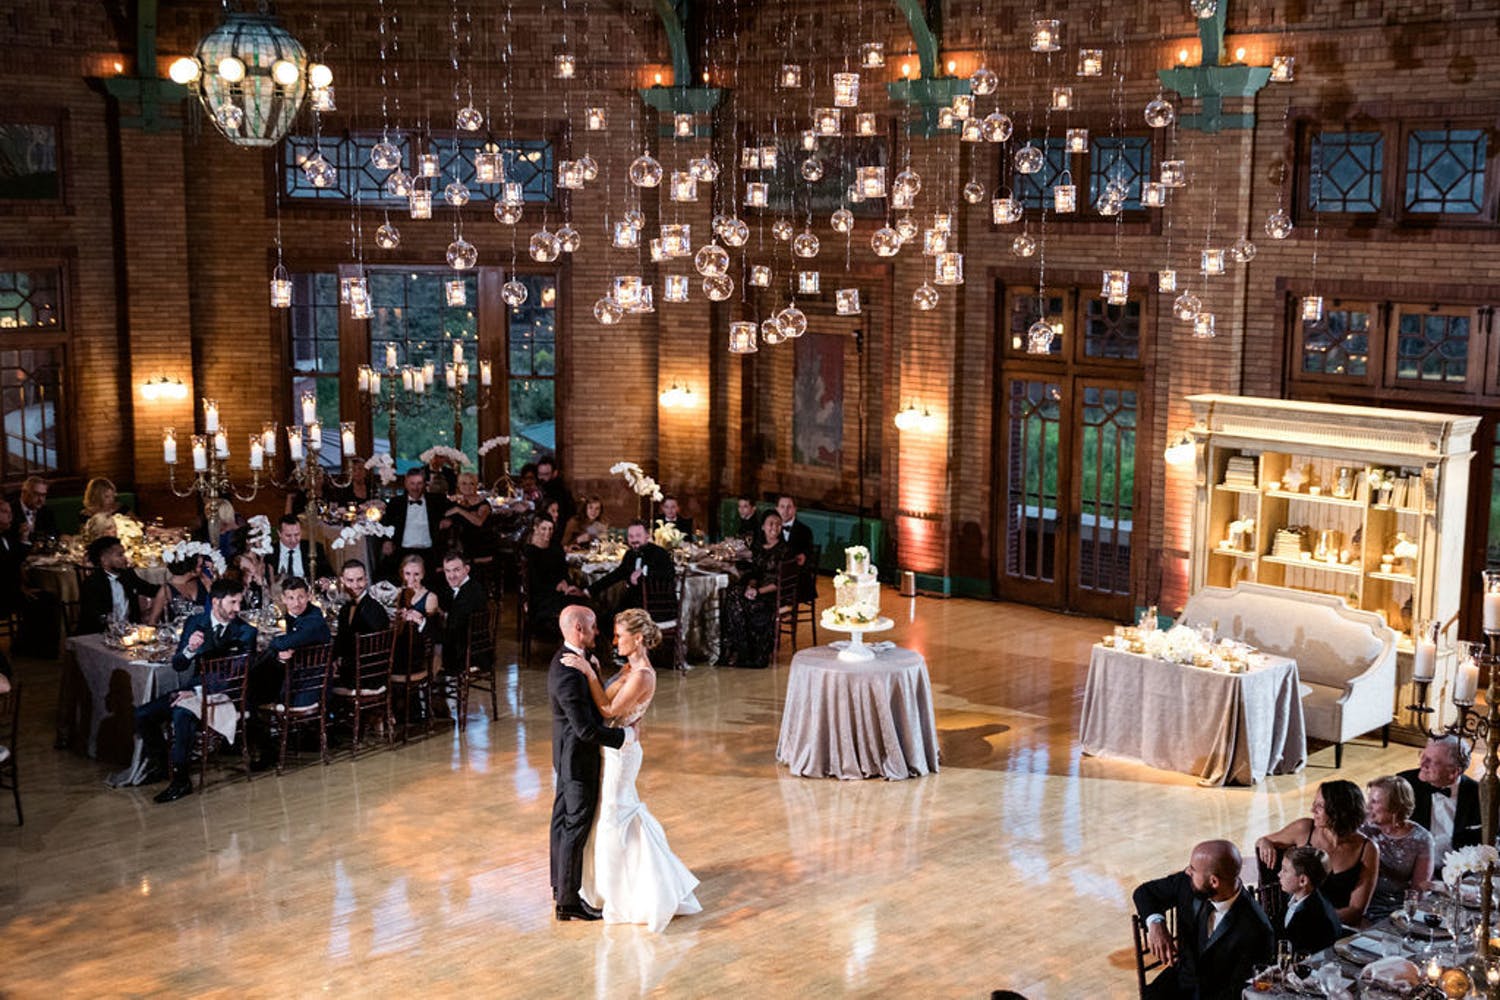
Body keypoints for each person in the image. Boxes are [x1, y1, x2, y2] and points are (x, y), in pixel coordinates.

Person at [563, 608, 702, 931]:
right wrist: (595, 671)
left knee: (614, 818)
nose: (614, 640)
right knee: (615, 816)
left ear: (637, 638)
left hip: (621, 754)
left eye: (619, 635)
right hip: (613, 748)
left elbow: (609, 708)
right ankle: (616, 885)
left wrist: (587, 672)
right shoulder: (630, 667)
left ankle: (622, 895)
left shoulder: (642, 675)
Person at [136, 577, 258, 803]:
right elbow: (178, 664)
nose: (238, 609)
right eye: (233, 603)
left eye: (240, 603)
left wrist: (198, 692)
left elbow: (235, 675)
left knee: (182, 715)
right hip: (193, 689)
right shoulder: (195, 622)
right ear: (215, 602)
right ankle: (164, 765)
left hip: (227, 694)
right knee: (143, 714)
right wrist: (190, 650)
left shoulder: (246, 632)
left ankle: (181, 780)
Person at [548, 605, 631, 921]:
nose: (599, 632)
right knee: (574, 826)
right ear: (579, 629)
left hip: (565, 755)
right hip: (577, 760)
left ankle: (560, 886)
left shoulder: (567, 661)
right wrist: (623, 739)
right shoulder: (568, 673)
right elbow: (584, 728)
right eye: (594, 627)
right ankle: (568, 902)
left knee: (561, 821)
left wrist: (592, 671)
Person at [1133, 839, 1275, 1000]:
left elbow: (1240, 991)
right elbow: (1144, 892)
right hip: (1182, 979)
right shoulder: (1188, 883)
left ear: (1214, 881)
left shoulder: (1258, 929)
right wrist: (1156, 923)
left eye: (1193, 869)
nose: (1187, 871)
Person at [1255, 780, 1379, 926]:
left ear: (1338, 811)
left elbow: (1356, 910)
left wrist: (1318, 920)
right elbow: (1262, 841)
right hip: (1292, 920)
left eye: (1319, 806)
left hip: (1336, 927)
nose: (1312, 810)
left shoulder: (1367, 849)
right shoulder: (1304, 829)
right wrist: (1264, 843)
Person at [248, 576, 332, 767]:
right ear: (283, 599)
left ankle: (268, 753)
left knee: (252, 692)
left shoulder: (313, 620)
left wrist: (277, 644)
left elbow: (283, 642)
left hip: (309, 688)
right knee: (255, 683)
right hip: (297, 679)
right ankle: (267, 747)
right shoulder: (298, 616)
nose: (296, 603)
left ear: (309, 596)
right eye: (291, 598)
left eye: (301, 597)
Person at [1400, 735, 1480, 872]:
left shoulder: (1480, 795)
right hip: (1411, 871)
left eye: (1432, 761)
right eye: (1423, 756)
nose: (1422, 764)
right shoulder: (1404, 784)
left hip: (1462, 876)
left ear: (1454, 771)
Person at [1359, 774, 1434, 921]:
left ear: (1395, 807)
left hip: (1398, 909)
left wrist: (1404, 918)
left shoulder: (1421, 839)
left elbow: (1418, 890)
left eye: (1374, 802)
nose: (1368, 806)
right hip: (1362, 903)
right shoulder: (1362, 828)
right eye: (1369, 800)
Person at [720, 512, 787, 668]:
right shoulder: (759, 547)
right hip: (758, 591)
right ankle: (739, 650)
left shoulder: (784, 550)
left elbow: (779, 581)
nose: (774, 527)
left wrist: (758, 592)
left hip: (771, 595)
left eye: (778, 524)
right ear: (763, 527)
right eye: (771, 523)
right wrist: (751, 586)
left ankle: (742, 653)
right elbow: (755, 573)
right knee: (733, 594)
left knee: (738, 602)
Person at [587, 520, 675, 638]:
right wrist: (588, 591)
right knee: (604, 618)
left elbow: (669, 573)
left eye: (638, 535)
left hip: (657, 608)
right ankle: (617, 652)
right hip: (634, 605)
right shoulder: (630, 554)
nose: (634, 540)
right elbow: (616, 575)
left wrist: (643, 572)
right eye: (631, 536)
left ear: (647, 535)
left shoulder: (660, 553)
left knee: (612, 618)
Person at [0, 498, 62, 658]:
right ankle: (35, 649)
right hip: (3, 594)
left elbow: (15, 562)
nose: (10, 517)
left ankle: (29, 645)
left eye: (10, 512)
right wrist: (19, 588)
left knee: (47, 597)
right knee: (45, 600)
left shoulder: (7, 536)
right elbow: (5, 568)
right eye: (5, 512)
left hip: (12, 589)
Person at [76, 535, 160, 634]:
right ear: (104, 560)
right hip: (100, 633)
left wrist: (173, 585)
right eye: (120, 555)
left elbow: (149, 589)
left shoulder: (128, 575)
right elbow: (93, 616)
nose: (125, 558)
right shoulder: (93, 583)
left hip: (129, 632)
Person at [391, 554, 441, 720]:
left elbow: (434, 634)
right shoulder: (397, 594)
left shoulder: (430, 597)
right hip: (398, 648)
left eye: (416, 574)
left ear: (423, 574)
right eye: (407, 574)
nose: (411, 579)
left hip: (417, 655)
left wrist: (418, 619)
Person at [525, 518, 589, 636]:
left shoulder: (555, 548)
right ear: (535, 528)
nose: (547, 532)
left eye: (550, 529)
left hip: (560, 591)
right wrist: (556, 586)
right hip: (541, 595)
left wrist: (566, 584)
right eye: (543, 529)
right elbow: (534, 581)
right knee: (573, 609)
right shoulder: (530, 552)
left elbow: (563, 571)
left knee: (583, 602)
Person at [1275, 845, 1342, 958]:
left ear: (1303, 880)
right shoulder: (1293, 897)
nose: (1279, 874)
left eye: (1285, 870)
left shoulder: (1315, 918)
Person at [333, 560, 390, 688]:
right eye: (350, 580)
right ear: (342, 580)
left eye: (359, 580)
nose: (355, 585)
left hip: (367, 676)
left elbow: (374, 651)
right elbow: (342, 640)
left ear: (366, 579)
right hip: (356, 671)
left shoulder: (374, 609)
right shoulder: (345, 609)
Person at [381, 467, 444, 581]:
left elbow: (455, 509)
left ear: (424, 484)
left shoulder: (436, 501)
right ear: (406, 483)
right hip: (402, 552)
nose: (415, 488)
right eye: (412, 483)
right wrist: (387, 540)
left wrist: (448, 519)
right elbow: (386, 523)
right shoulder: (396, 503)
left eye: (419, 483)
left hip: (428, 552)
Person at [438, 550, 489, 685]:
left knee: (425, 660)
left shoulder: (470, 594)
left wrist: (423, 623)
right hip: (465, 648)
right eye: (447, 571)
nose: (451, 576)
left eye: (456, 570)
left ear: (467, 569)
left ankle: (431, 700)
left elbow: (452, 632)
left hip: (470, 656)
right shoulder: (464, 588)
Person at [439, 471, 495, 566]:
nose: (467, 487)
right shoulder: (457, 502)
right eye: (464, 483)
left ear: (476, 486)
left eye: (472, 483)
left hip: (479, 547)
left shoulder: (483, 504)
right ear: (458, 485)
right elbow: (444, 518)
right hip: (460, 546)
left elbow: (479, 522)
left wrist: (459, 510)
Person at [776, 495, 816, 600]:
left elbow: (809, 556)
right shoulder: (771, 528)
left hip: (797, 580)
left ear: (795, 509)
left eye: (789, 507)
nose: (785, 510)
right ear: (777, 509)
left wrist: (804, 557)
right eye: (782, 507)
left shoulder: (805, 531)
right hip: (775, 576)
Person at [269, 514, 322, 587]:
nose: (293, 540)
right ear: (279, 533)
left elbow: (326, 572)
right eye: (288, 535)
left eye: (297, 534)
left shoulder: (314, 547)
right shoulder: (269, 551)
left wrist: (324, 580)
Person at [7, 475, 57, 546]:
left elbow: (53, 535)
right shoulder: (9, 511)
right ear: (24, 493)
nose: (40, 500)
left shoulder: (46, 511)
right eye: (36, 494)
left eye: (43, 495)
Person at [156, 556, 209, 622]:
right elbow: (152, 621)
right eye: (200, 566)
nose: (202, 569)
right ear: (191, 569)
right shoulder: (166, 590)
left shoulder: (202, 582)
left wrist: (209, 584)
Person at [536, 454, 575, 528]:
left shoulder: (561, 492)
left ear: (554, 474)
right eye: (540, 474)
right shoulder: (539, 488)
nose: (542, 478)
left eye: (546, 474)